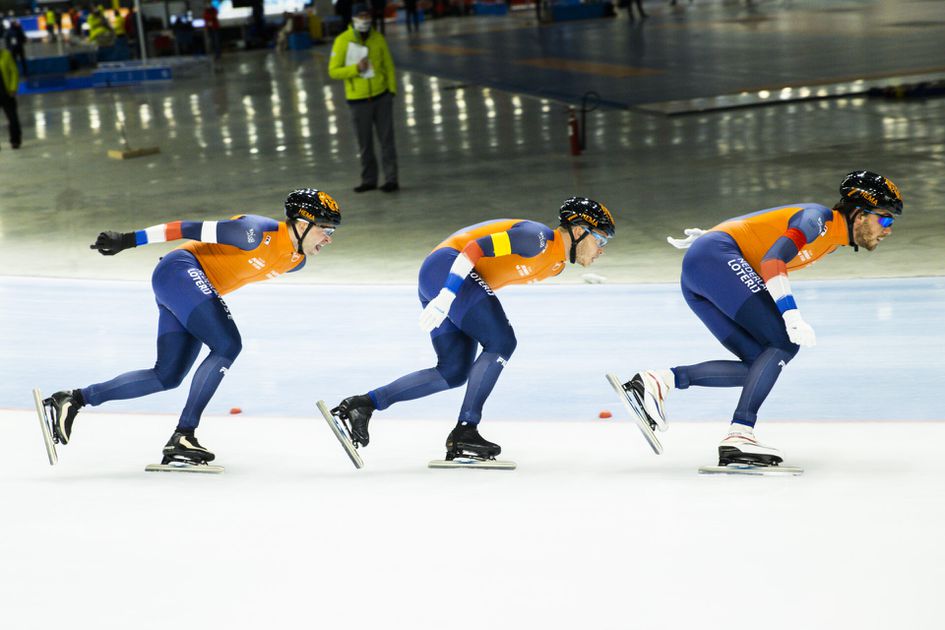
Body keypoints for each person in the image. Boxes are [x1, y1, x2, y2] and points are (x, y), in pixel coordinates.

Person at [614, 171, 903, 467]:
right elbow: (773, 261)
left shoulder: (831, 239)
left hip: (708, 264)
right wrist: (790, 314)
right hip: (714, 259)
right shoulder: (819, 220)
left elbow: (760, 230)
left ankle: (656, 382)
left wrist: (713, 240)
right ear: (859, 213)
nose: (888, 229)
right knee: (784, 342)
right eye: (885, 219)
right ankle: (740, 434)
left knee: (759, 364)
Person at [41, 189, 342, 467]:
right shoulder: (253, 231)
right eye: (324, 229)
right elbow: (185, 228)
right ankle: (184, 434)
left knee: (167, 375)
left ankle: (72, 399)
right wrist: (128, 239)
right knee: (228, 345)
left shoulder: (296, 260)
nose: (329, 239)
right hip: (180, 271)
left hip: (187, 286)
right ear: (302, 225)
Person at [331, 198, 616, 461]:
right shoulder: (537, 238)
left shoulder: (555, 265)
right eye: (601, 239)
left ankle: (363, 404)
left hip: (447, 278)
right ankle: (465, 430)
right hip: (447, 270)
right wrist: (447, 294)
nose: (602, 249)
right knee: (502, 341)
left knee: (453, 371)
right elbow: (474, 248)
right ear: (579, 231)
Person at [328, 3, 399, 193]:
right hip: (358, 100)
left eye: (367, 15)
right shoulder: (342, 41)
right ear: (353, 18)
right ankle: (369, 180)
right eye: (361, 15)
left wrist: (391, 91)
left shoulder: (378, 38)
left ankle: (391, 179)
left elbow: (389, 66)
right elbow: (333, 71)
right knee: (365, 143)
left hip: (382, 96)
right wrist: (355, 69)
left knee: (387, 142)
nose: (365, 19)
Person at [0, 39, 22, 150]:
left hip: (7, 93)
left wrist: (13, 88)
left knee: (13, 118)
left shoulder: (6, 55)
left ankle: (15, 140)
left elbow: (14, 72)